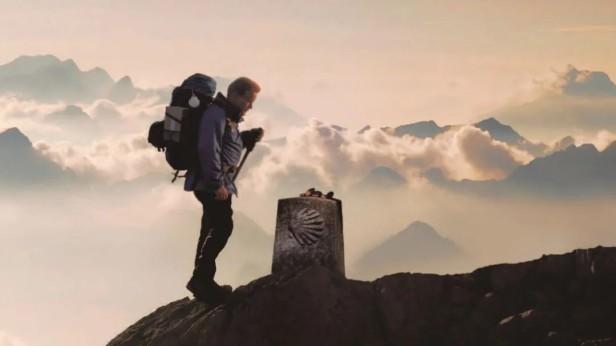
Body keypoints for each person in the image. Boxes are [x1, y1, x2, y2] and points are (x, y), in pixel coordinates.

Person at [184, 77, 264, 303]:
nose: (250, 105)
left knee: (210, 227)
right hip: (212, 183)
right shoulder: (216, 115)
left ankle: (201, 281)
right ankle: (201, 280)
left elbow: (227, 143)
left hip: (216, 182)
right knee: (223, 227)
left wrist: (246, 137)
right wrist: (216, 183)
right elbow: (207, 148)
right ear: (237, 96)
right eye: (249, 100)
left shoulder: (226, 116)